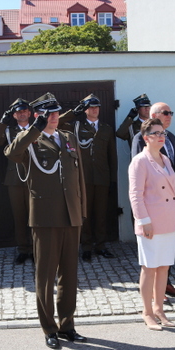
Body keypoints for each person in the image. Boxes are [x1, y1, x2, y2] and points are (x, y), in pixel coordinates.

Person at [4, 93, 88, 350]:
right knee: (46, 275)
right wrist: (33, 129)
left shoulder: (68, 138)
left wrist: (81, 209)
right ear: (38, 114)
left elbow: (79, 177)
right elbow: (11, 152)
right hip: (45, 216)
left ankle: (67, 325)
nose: (54, 116)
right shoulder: (31, 140)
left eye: (56, 112)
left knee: (69, 274)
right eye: (48, 113)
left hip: (70, 214)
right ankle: (49, 327)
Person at [129, 118, 175, 330]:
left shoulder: (166, 159)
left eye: (163, 133)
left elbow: (172, 192)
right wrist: (143, 221)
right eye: (156, 133)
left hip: (168, 219)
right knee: (149, 268)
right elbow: (135, 194)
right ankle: (147, 312)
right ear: (146, 138)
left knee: (163, 267)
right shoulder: (140, 161)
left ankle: (160, 308)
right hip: (150, 222)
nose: (162, 136)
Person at [59, 93, 118, 261]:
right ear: (85, 110)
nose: (94, 110)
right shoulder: (76, 126)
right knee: (85, 213)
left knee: (101, 213)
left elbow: (111, 156)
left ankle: (100, 245)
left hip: (102, 178)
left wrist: (112, 179)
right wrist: (73, 112)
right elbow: (58, 123)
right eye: (91, 107)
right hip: (83, 179)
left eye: (97, 107)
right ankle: (85, 246)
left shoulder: (106, 128)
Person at [0, 98, 33, 265]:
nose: (22, 113)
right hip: (14, 179)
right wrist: (2, 123)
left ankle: (37, 249)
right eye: (18, 112)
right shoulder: (9, 131)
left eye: (24, 111)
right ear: (14, 115)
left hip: (34, 177)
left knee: (35, 216)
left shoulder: (37, 129)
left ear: (29, 113)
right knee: (19, 216)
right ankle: (23, 249)